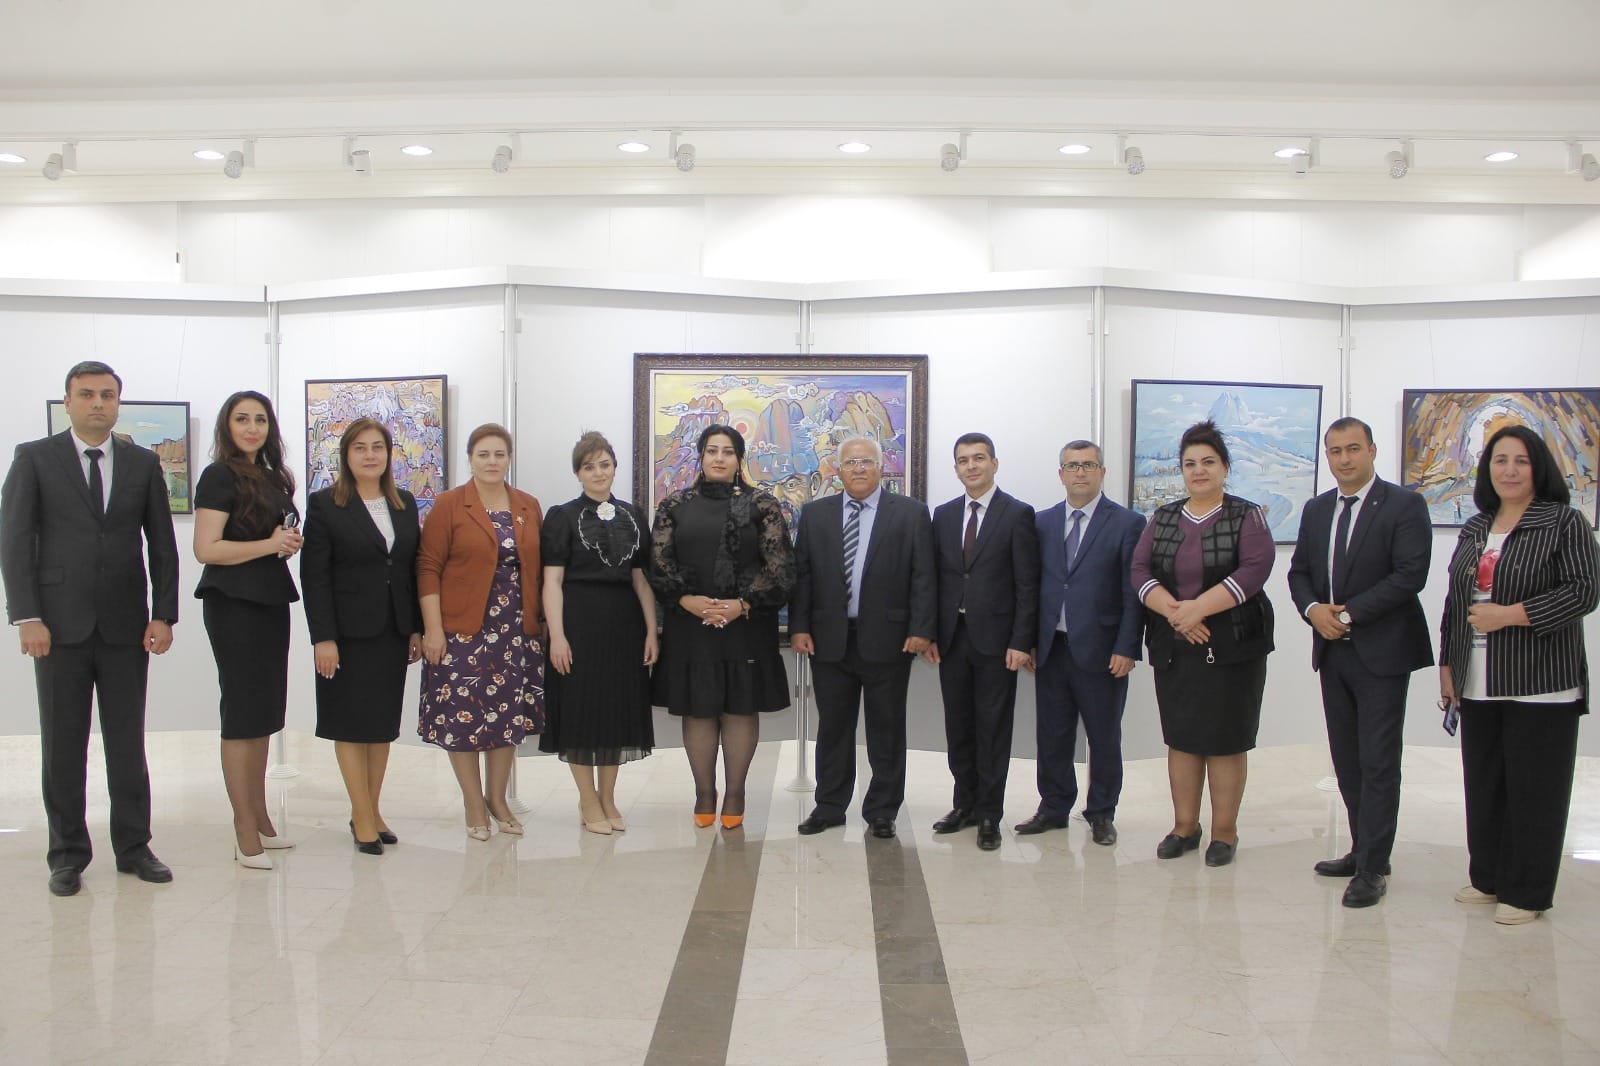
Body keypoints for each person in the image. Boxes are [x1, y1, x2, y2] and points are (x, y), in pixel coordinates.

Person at [1, 361, 180, 896]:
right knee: (63, 745)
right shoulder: (35, 458)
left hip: (127, 626)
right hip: (57, 627)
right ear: (68, 402)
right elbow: (14, 541)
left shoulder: (143, 464)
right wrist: (27, 616)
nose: (98, 403)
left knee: (127, 743)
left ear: (118, 402)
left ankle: (134, 847)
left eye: (107, 395)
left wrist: (163, 613)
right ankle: (67, 855)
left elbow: (162, 544)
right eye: (86, 394)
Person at [1438, 424, 1598, 925]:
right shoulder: (1475, 526)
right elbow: (1456, 601)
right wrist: (1448, 664)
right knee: (1485, 783)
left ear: (1538, 468)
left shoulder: (1563, 522)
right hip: (1477, 677)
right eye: (1500, 460)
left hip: (1541, 681)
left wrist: (1510, 615)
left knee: (1535, 790)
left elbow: (1584, 591)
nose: (1509, 470)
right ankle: (1488, 877)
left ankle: (1527, 893)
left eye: (1521, 461)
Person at [1288, 416, 1433, 908]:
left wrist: (1347, 615)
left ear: (1372, 450)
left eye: (1353, 448)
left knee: (1378, 760)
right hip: (1332, 651)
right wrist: (1314, 611)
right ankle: (1362, 847)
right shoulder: (1317, 509)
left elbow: (1410, 575)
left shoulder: (1404, 504)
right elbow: (1299, 572)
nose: (1344, 459)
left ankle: (1373, 867)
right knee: (1347, 759)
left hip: (1383, 651)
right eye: (1335, 451)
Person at [1130, 419, 1274, 867]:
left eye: (1208, 462)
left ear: (1225, 467)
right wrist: (1178, 612)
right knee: (1183, 738)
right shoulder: (1163, 517)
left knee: (1225, 741)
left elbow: (1254, 570)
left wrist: (1199, 609)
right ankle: (1184, 827)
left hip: (1233, 645)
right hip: (1175, 644)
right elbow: (1139, 570)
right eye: (1190, 463)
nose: (1199, 470)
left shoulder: (1247, 516)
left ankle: (1225, 833)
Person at [649, 425, 794, 830]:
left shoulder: (763, 504)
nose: (719, 458)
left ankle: (735, 793)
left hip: (746, 623)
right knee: (698, 708)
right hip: (690, 624)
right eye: (712, 450)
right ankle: (704, 792)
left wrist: (741, 604)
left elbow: (781, 567)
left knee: (739, 708)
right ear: (700, 456)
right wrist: (686, 600)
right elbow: (659, 563)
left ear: (739, 459)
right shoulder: (674, 505)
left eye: (727, 451)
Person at [791, 436, 935, 839]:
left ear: (881, 468)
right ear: (838, 470)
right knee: (833, 728)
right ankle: (829, 806)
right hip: (829, 640)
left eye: (866, 462)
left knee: (886, 729)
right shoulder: (815, 514)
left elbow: (924, 576)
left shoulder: (910, 513)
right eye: (850, 462)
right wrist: (799, 627)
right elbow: (803, 576)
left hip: (890, 639)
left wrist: (921, 629)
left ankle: (883, 810)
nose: (858, 468)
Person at [300, 418, 424, 856]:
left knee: (380, 727)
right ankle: (362, 815)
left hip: (392, 631)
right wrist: (323, 638)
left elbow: (409, 570)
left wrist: (414, 627)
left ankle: (370, 809)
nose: (370, 455)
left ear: (389, 454)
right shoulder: (325, 504)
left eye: (377, 447)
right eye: (360, 448)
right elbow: (314, 576)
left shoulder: (404, 503)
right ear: (346, 455)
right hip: (346, 634)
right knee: (351, 725)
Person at [416, 423, 546, 841]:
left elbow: (539, 568)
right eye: (483, 454)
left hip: (515, 631)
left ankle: (498, 798)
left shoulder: (527, 505)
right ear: (470, 459)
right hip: (462, 631)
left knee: (507, 717)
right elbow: (428, 567)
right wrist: (433, 629)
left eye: (499, 454)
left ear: (509, 458)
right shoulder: (450, 504)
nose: (492, 462)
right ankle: (473, 803)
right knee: (463, 716)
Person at [193, 391, 302, 870]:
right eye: (242, 419)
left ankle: (259, 816)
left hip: (271, 599)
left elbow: (272, 537)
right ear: (227, 426)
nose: (252, 427)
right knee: (241, 714)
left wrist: (286, 544)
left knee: (264, 712)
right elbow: (207, 549)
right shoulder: (219, 475)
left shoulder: (274, 476)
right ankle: (242, 829)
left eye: (260, 419)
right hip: (233, 603)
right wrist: (269, 544)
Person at [1017, 440, 1145, 846]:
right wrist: (1029, 640)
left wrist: (1127, 647)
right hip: (1051, 648)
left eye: (1089, 465)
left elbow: (1133, 591)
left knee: (1104, 736)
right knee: (1052, 734)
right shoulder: (1041, 522)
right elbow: (1030, 586)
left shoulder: (1127, 523)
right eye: (1072, 466)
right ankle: (1053, 807)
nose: (1080, 472)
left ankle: (1102, 813)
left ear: (1102, 472)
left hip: (1103, 650)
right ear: (1061, 474)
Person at [923, 433, 1038, 852]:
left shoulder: (1017, 514)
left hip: (998, 643)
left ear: (994, 463)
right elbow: (933, 579)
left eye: (979, 458)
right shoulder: (944, 515)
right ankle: (965, 805)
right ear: (955, 468)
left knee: (992, 730)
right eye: (963, 460)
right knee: (959, 728)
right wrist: (930, 632)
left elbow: (1027, 584)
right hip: (952, 639)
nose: (971, 466)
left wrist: (1021, 640)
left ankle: (990, 814)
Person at [541, 431, 659, 835]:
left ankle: (608, 797)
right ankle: (587, 798)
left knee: (615, 710)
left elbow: (641, 579)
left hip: (624, 625)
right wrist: (557, 636)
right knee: (580, 710)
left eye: (605, 465)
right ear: (578, 472)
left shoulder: (633, 515)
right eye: (589, 467)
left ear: (614, 468)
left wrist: (651, 630)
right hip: (579, 624)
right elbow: (552, 582)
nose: (598, 473)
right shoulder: (561, 516)